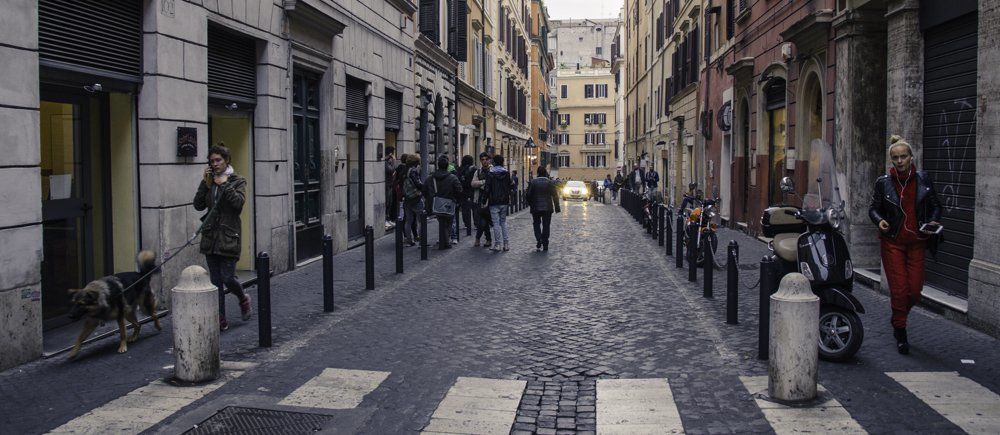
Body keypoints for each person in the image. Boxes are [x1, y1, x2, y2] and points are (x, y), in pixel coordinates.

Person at [869, 135, 942, 355]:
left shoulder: (923, 179)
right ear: (891, 160)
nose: (900, 161)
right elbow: (873, 208)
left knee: (915, 292)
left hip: (917, 242)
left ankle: (897, 317)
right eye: (895, 158)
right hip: (893, 242)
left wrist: (933, 221)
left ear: (911, 157)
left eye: (903, 156)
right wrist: (879, 220)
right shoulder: (884, 183)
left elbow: (936, 206)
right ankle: (900, 330)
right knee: (900, 290)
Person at [193, 144, 252, 331]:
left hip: (228, 236)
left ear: (227, 160)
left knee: (227, 278)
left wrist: (224, 184)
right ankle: (220, 318)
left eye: (218, 160)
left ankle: (243, 298)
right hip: (211, 236)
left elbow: (238, 204)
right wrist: (205, 183)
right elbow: (198, 205)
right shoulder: (209, 181)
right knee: (215, 281)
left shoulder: (237, 180)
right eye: (212, 161)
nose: (215, 164)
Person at [424, 155, 463, 249]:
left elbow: (424, 190)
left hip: (435, 204)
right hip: (449, 203)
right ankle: (446, 241)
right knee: (448, 223)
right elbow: (459, 190)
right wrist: (456, 199)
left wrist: (430, 199)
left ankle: (445, 240)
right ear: (447, 166)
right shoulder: (453, 178)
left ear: (438, 165)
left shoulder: (431, 178)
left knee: (442, 222)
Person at [526, 166, 561, 251]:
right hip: (547, 208)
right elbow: (555, 196)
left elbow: (528, 195)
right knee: (546, 225)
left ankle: (539, 239)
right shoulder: (550, 182)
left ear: (537, 173)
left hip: (536, 207)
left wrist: (531, 204)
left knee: (536, 223)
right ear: (545, 173)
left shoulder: (533, 182)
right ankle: (545, 242)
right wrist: (557, 207)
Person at [483, 154, 513, 252]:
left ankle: (498, 244)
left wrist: (484, 200)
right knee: (503, 222)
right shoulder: (507, 173)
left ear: (494, 162)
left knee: (496, 223)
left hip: (493, 201)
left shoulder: (490, 173)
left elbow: (487, 188)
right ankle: (507, 244)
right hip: (504, 201)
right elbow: (510, 185)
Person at [470, 153, 494, 247]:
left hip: (490, 199)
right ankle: (487, 239)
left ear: (489, 160)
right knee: (482, 221)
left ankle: (479, 239)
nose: (484, 161)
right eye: (482, 159)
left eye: (486, 159)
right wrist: (484, 182)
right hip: (479, 199)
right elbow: (473, 183)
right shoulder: (478, 172)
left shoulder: (493, 171)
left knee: (485, 221)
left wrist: (480, 184)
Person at [401, 155, 424, 246]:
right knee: (420, 219)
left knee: (408, 220)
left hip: (407, 197)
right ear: (415, 163)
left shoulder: (404, 170)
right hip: (415, 197)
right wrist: (423, 188)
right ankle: (422, 241)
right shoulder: (413, 171)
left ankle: (408, 240)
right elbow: (417, 183)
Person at [457, 155, 476, 237]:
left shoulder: (459, 169)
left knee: (465, 209)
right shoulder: (474, 169)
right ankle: (476, 223)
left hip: (463, 192)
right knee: (474, 208)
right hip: (473, 191)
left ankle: (466, 224)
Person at [384, 146, 397, 229]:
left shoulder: (388, 160)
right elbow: (391, 170)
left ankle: (388, 218)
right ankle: (386, 219)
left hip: (390, 184)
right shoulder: (386, 161)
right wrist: (394, 162)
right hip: (387, 184)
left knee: (390, 202)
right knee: (388, 202)